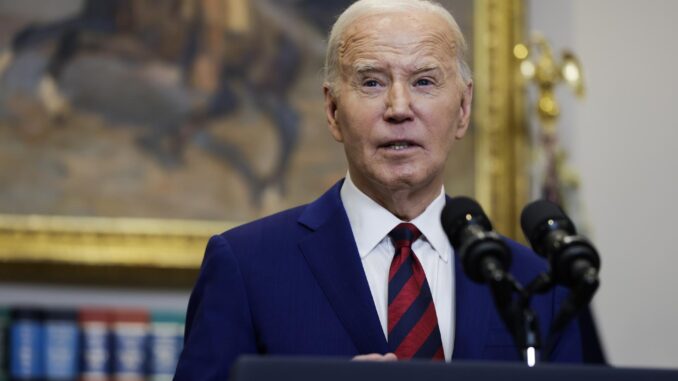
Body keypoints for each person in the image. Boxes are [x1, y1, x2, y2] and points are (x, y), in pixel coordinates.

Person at [173, 0, 583, 379]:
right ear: (333, 111)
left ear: (462, 109)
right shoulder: (247, 267)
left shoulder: (534, 284)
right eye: (371, 83)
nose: (399, 107)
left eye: (424, 82)